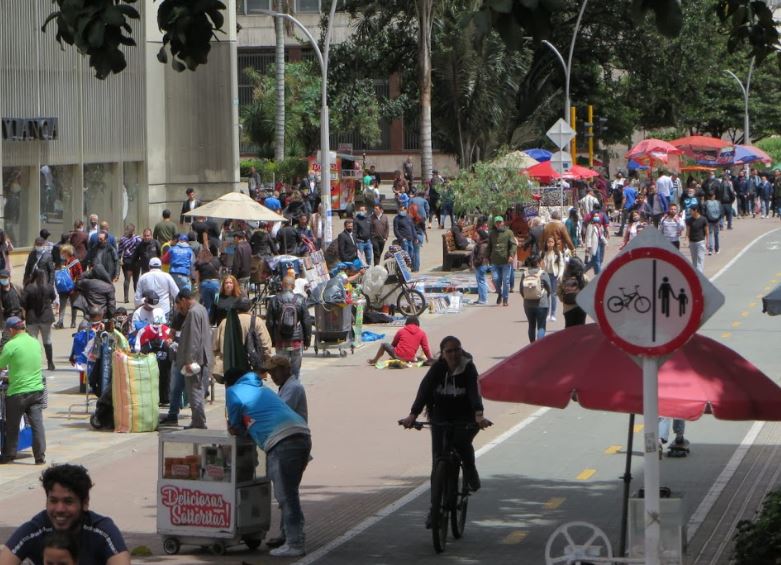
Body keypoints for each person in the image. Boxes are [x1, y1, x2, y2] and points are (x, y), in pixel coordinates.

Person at [399, 336, 492, 517]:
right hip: (440, 415)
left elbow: (475, 392)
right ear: (442, 354)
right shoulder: (438, 369)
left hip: (466, 416)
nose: (453, 354)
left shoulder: (468, 368)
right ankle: (434, 510)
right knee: (438, 461)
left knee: (461, 443)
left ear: (461, 350)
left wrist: (479, 415)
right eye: (449, 351)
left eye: (456, 349)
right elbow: (424, 390)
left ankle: (471, 471)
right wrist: (413, 415)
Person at [224, 367, 311, 558]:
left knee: (286, 496)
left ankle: (295, 543)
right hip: (301, 434)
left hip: (281, 442)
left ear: (229, 383)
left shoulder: (233, 392)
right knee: (291, 493)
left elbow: (235, 425)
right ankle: (291, 535)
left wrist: (235, 428)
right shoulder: (263, 389)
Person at [0, 463, 130, 564]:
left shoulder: (102, 531)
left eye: (68, 501)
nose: (59, 509)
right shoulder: (34, 530)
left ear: (85, 503)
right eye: (53, 500)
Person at [0, 317, 46, 465]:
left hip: (17, 392)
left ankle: (10, 454)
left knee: (12, 424)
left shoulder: (11, 345)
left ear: (12, 330)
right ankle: (40, 456)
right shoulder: (34, 342)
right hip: (37, 390)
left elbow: (1, 365)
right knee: (37, 424)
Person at [172, 289, 213, 430]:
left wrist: (190, 360)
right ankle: (197, 420)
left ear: (184, 300)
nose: (179, 309)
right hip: (203, 356)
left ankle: (199, 422)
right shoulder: (201, 309)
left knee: (195, 391)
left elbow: (194, 338)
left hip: (197, 359)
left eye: (179, 305)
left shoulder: (194, 312)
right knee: (197, 390)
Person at [266, 276, 311, 378]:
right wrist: (307, 340)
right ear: (294, 286)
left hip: (280, 341)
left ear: (282, 285)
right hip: (297, 341)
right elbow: (306, 321)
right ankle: (295, 390)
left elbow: (270, 323)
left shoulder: (274, 300)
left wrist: (272, 340)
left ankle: (284, 391)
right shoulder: (300, 299)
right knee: (295, 372)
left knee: (283, 372)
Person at [21, 270, 58, 371]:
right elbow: (53, 297)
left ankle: (34, 364)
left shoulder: (29, 288)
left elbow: (23, 302)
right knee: (47, 340)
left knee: (33, 342)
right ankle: (50, 363)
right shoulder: (49, 287)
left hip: (32, 318)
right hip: (46, 317)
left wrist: (28, 308)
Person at [367, 316, 434, 366]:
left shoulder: (401, 331)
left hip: (398, 355)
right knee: (420, 356)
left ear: (406, 324)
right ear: (417, 325)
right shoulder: (422, 333)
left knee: (384, 345)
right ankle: (406, 360)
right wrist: (430, 359)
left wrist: (393, 354)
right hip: (411, 358)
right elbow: (426, 348)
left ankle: (374, 360)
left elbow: (393, 344)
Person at [520, 253, 552, 342]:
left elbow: (521, 290)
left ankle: (532, 345)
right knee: (541, 326)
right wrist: (546, 297)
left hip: (528, 304)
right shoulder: (543, 273)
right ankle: (539, 346)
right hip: (542, 303)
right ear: (538, 263)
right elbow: (549, 288)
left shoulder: (525, 273)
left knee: (531, 325)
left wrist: (527, 297)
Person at [488, 216, 517, 307]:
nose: (498, 224)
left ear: (503, 222)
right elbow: (489, 246)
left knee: (506, 280)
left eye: (500, 222)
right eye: (497, 222)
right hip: (495, 261)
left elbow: (513, 245)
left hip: (506, 261)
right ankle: (499, 293)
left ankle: (505, 298)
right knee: (495, 279)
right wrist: (486, 257)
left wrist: (511, 255)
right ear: (495, 224)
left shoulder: (509, 233)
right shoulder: (492, 233)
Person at [53, 245, 82, 330]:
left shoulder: (76, 262)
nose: (62, 254)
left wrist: (76, 286)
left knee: (74, 305)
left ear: (67, 252)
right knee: (62, 305)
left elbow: (80, 275)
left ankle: (73, 322)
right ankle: (60, 322)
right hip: (63, 287)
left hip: (73, 287)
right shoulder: (64, 262)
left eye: (63, 252)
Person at [558, 256, 588, 327]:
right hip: (581, 307)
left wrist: (564, 299)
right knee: (581, 329)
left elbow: (559, 292)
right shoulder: (584, 277)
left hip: (568, 308)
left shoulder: (563, 278)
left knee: (569, 330)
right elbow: (589, 291)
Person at [542, 236, 565, 323]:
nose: (550, 244)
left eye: (552, 242)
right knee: (546, 294)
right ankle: (547, 313)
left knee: (553, 295)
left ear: (554, 243)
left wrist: (560, 275)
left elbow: (561, 264)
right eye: (548, 242)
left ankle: (553, 314)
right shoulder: (543, 253)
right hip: (546, 275)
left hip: (554, 275)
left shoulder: (557, 253)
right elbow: (541, 264)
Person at [117, 224, 141, 303]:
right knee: (136, 280)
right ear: (134, 230)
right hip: (136, 261)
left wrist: (119, 259)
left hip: (127, 261)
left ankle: (126, 297)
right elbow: (141, 250)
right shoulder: (138, 238)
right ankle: (137, 297)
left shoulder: (122, 239)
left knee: (127, 279)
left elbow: (119, 251)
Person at [471, 217, 491, 305]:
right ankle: (481, 298)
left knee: (481, 281)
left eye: (477, 235)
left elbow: (480, 257)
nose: (475, 236)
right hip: (483, 264)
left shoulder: (482, 245)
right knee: (481, 281)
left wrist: (474, 264)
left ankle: (483, 299)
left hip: (481, 264)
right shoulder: (483, 243)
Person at [686, 205, 708, 273]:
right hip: (692, 242)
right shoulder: (689, 220)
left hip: (700, 242)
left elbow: (706, 231)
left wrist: (707, 241)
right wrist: (686, 240)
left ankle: (700, 275)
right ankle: (696, 274)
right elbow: (688, 231)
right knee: (694, 260)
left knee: (700, 259)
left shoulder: (703, 219)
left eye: (691, 210)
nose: (690, 211)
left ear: (695, 210)